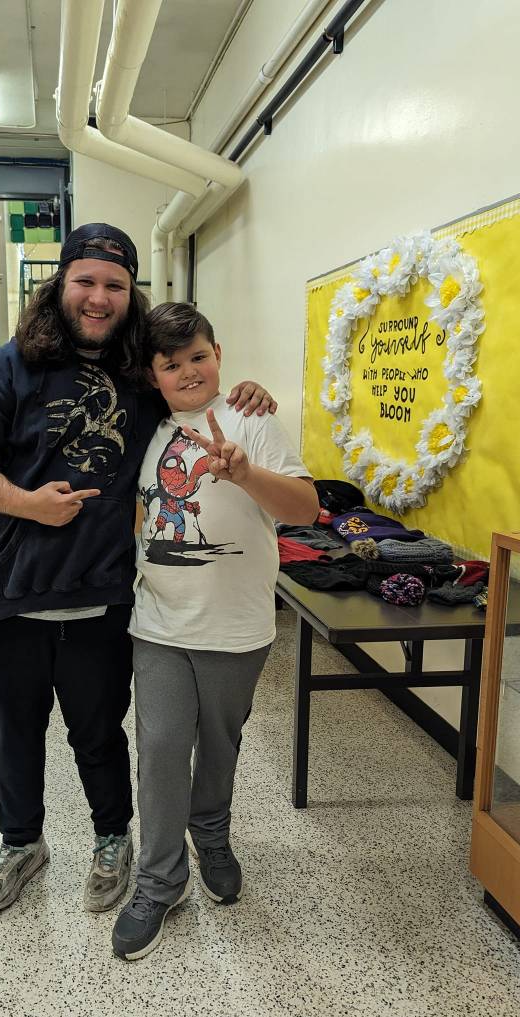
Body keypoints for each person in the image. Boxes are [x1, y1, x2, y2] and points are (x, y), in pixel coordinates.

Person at [0, 223, 276, 919]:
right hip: (9, 592)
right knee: (13, 726)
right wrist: (27, 504)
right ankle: (19, 842)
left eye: (114, 285)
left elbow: (192, 396)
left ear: (130, 293)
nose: (98, 297)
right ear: (59, 284)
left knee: (99, 730)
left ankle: (113, 837)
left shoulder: (137, 373)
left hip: (102, 596)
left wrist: (244, 394)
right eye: (85, 281)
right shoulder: (7, 367)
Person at [111, 302, 318, 961]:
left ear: (218, 354)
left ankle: (213, 833)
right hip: (159, 624)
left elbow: (306, 509)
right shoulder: (143, 428)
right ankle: (158, 879)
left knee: (220, 744)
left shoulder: (251, 418)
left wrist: (243, 472)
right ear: (152, 375)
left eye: (197, 357)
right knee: (162, 747)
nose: (188, 372)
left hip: (237, 625)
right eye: (170, 365)